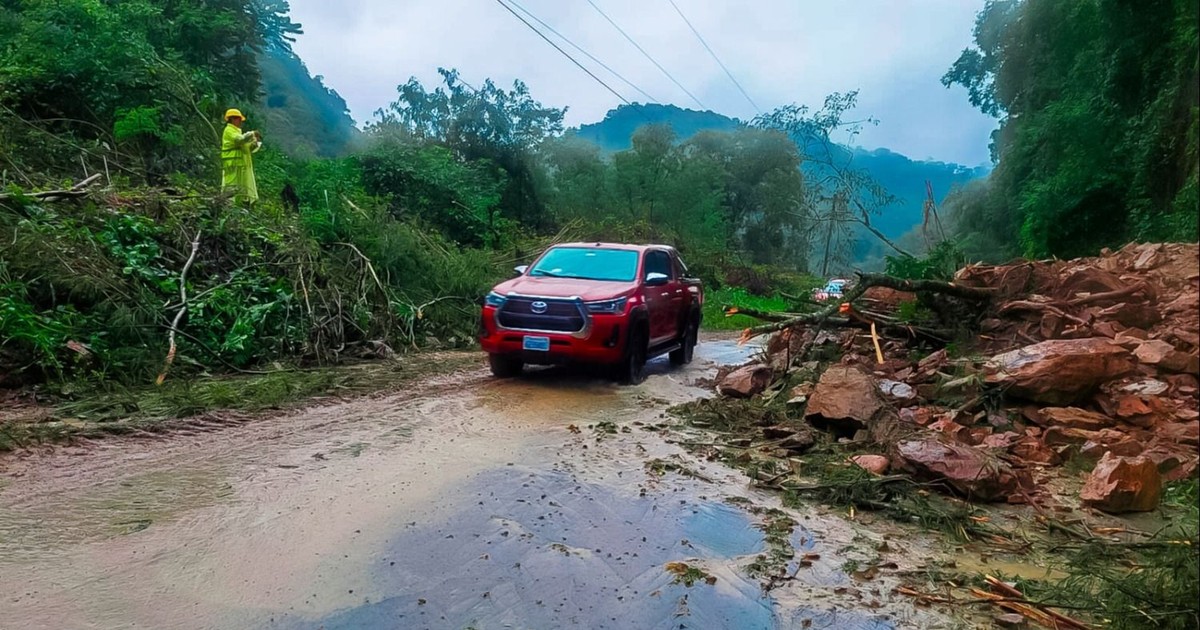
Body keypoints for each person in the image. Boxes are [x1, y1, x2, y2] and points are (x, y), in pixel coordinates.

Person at [220, 109, 262, 205]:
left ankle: (239, 205)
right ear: (232, 119)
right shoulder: (229, 130)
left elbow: (246, 148)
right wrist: (252, 134)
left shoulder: (236, 131)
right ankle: (228, 205)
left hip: (239, 163)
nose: (240, 122)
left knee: (240, 185)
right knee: (231, 184)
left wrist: (255, 143)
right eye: (238, 119)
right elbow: (240, 140)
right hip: (231, 163)